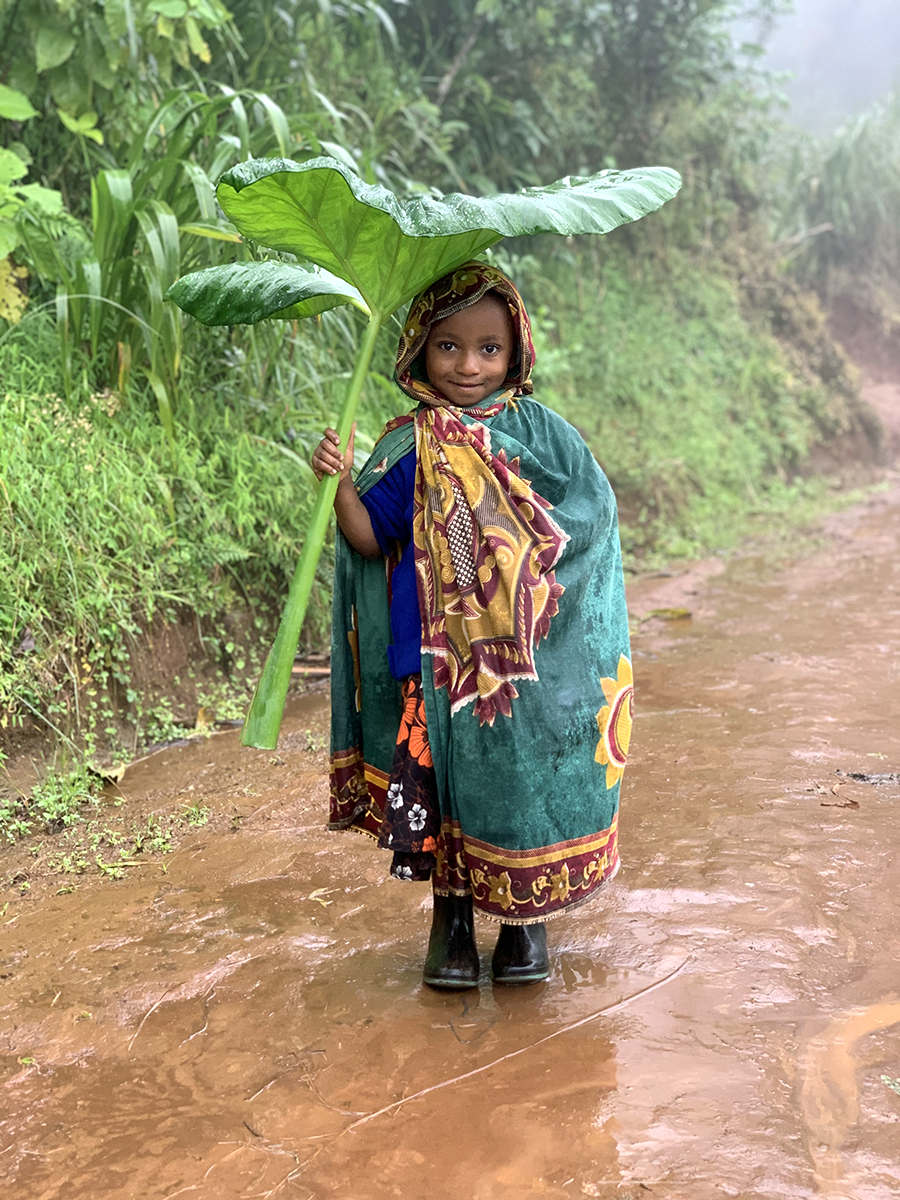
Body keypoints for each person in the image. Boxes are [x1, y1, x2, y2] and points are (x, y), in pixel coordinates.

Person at [311, 261, 633, 989]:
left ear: (515, 352)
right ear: (418, 349)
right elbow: (369, 537)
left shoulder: (543, 439)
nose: (468, 365)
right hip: (434, 668)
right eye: (449, 346)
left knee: (518, 787)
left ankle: (524, 923)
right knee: (444, 798)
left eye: (488, 348)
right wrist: (337, 484)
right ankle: (451, 924)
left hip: (523, 671)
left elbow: (588, 518)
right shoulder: (408, 447)